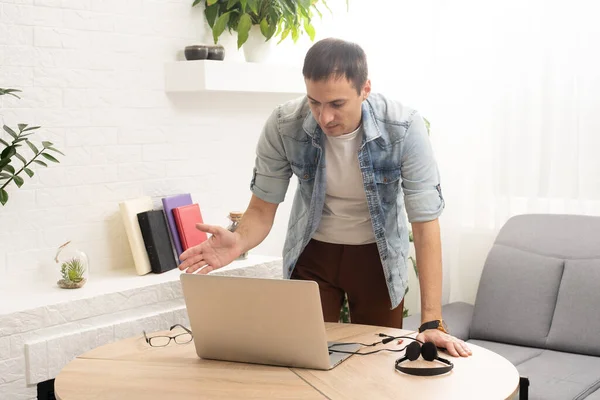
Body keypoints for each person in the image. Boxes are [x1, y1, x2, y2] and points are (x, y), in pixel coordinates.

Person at [179, 38, 471, 357]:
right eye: (314, 102)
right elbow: (261, 209)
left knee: (377, 363)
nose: (324, 116)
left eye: (336, 104)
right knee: (305, 357)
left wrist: (431, 321)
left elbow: (425, 221)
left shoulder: (403, 127)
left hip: (377, 258)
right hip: (314, 254)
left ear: (365, 89)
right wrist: (238, 241)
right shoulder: (283, 124)